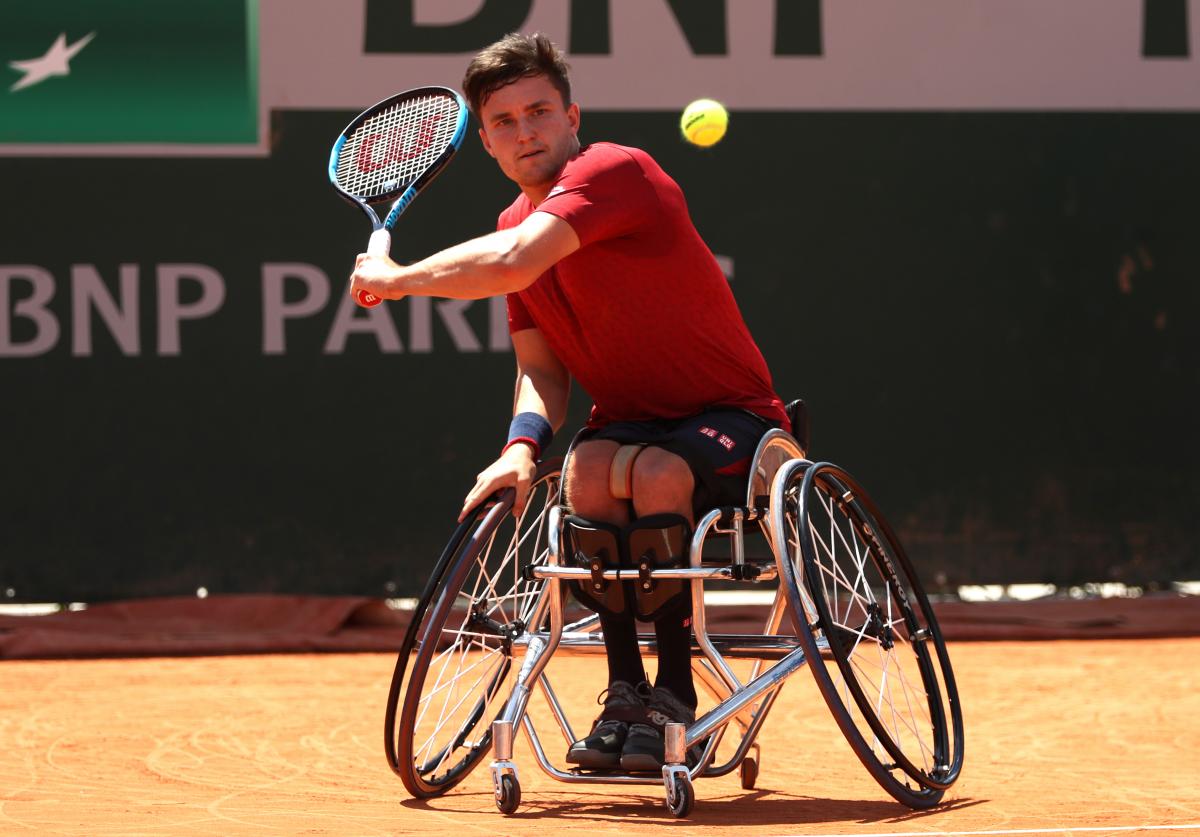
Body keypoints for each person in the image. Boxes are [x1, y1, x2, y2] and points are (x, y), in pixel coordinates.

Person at [350, 32, 788, 772]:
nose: (526, 132)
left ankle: (676, 694)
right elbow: (542, 369)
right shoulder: (508, 226)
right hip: (627, 423)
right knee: (586, 473)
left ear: (572, 115)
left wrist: (396, 277)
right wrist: (520, 449)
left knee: (651, 473)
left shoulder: (615, 170)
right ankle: (625, 693)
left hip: (732, 415)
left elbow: (516, 262)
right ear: (486, 141)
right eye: (505, 122)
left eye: (540, 111)